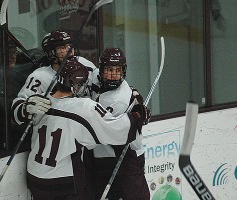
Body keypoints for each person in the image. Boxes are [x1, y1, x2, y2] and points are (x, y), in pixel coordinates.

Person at [23, 58, 147, 199]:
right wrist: (138, 116)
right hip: (62, 182)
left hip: (35, 177)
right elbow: (117, 131)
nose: (83, 89)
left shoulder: (40, 102)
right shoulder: (83, 107)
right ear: (75, 85)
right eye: (82, 85)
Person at [84, 48, 151, 199]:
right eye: (109, 69)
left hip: (127, 154)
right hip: (102, 155)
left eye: (118, 70)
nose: (114, 74)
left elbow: (97, 130)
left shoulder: (119, 98)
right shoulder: (94, 76)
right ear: (100, 71)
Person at [11, 29, 96, 125]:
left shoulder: (85, 65)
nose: (69, 50)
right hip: (56, 127)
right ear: (50, 53)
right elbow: (15, 111)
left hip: (86, 124)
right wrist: (25, 109)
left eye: (69, 46)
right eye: (62, 47)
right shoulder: (39, 77)